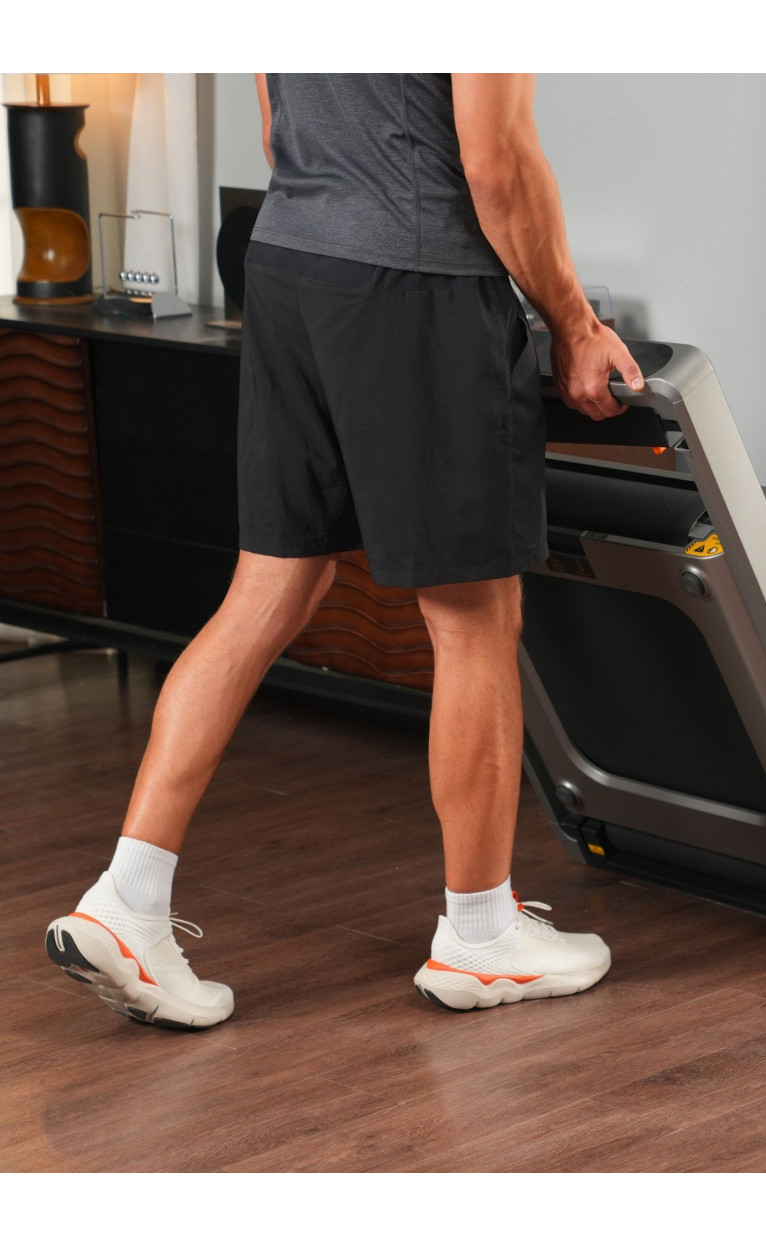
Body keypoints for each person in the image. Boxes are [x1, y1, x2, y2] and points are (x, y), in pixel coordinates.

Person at [44, 74, 646, 1026]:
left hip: (290, 265)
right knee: (474, 614)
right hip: (419, 284)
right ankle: (482, 937)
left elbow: (275, 121)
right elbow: (496, 162)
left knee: (265, 591)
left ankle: (125, 903)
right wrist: (575, 323)